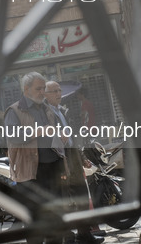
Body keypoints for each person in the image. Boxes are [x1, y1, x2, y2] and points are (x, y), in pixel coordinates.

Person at [4, 72, 68, 243]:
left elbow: (55, 129)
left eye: (43, 88)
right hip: (31, 172)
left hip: (53, 167)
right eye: (38, 88)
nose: (42, 92)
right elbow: (13, 136)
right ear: (26, 90)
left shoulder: (47, 108)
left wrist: (61, 134)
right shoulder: (14, 110)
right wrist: (38, 131)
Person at [45, 81, 104, 244]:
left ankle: (84, 233)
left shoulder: (62, 111)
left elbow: (71, 138)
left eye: (59, 90)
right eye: (54, 91)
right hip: (61, 160)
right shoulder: (46, 113)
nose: (59, 93)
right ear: (45, 94)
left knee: (82, 196)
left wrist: (82, 158)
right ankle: (68, 236)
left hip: (73, 157)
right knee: (66, 200)